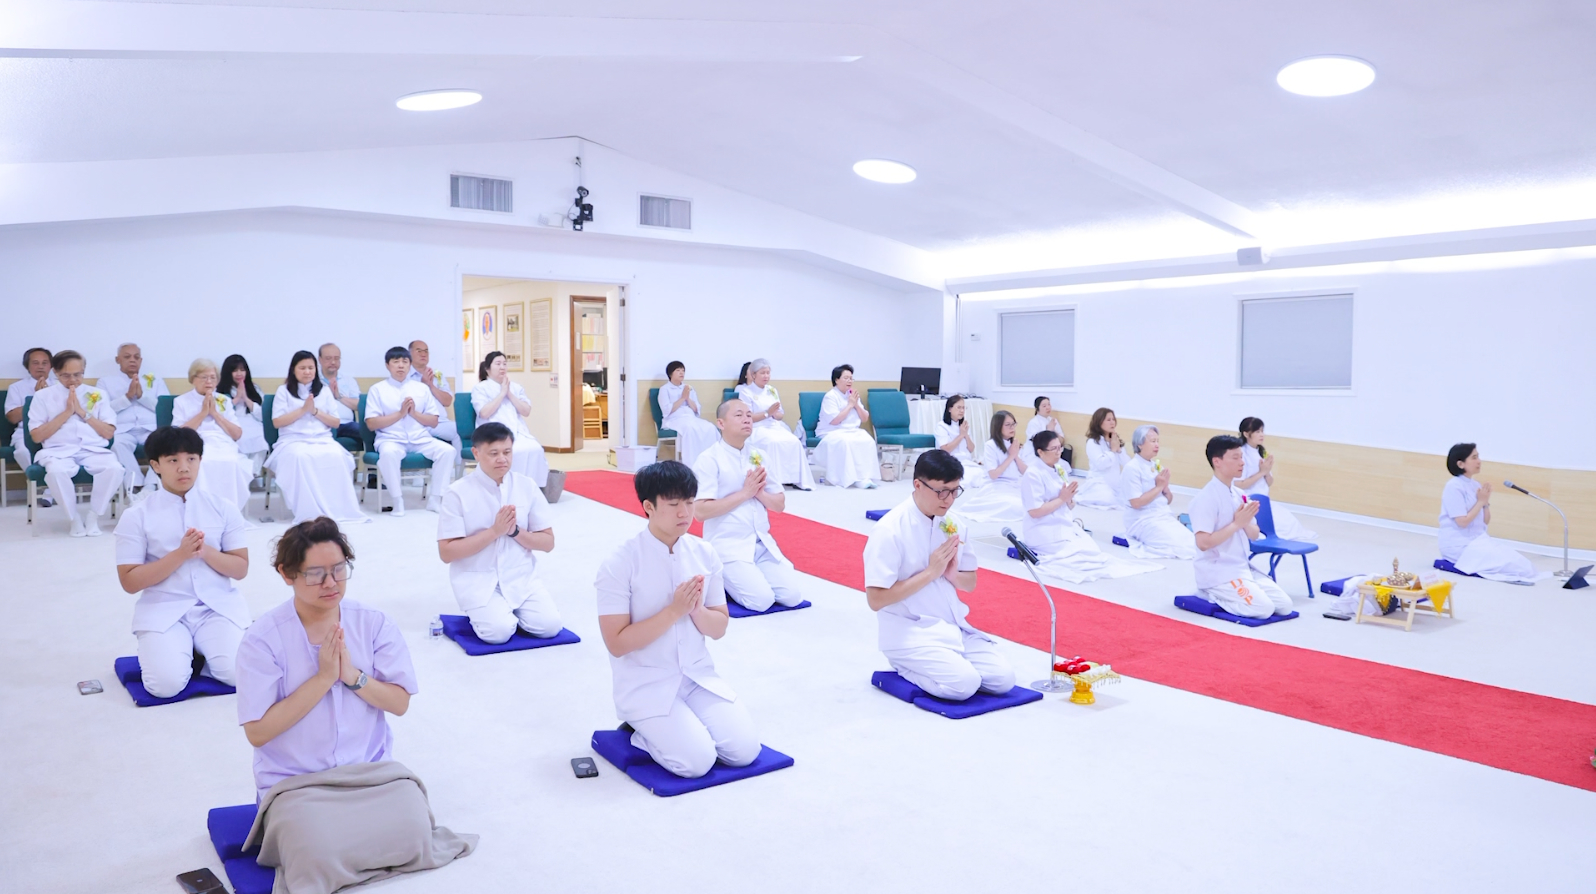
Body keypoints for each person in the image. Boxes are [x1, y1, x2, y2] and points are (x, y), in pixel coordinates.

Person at [236, 519, 473, 885]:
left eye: (338, 569)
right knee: (316, 854)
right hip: (297, 784)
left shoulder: (373, 624)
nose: (331, 583)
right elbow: (258, 732)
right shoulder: (262, 639)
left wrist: (352, 676)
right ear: (286, 574)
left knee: (415, 832)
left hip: (371, 774)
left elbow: (399, 703)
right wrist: (322, 679)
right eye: (316, 574)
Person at [595, 460, 762, 779]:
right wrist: (674, 611)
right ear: (648, 506)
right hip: (646, 683)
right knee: (697, 763)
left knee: (744, 752)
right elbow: (616, 643)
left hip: (697, 676)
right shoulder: (620, 562)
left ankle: (677, 729)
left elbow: (719, 628)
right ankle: (640, 733)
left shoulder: (704, 552)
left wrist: (696, 610)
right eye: (673, 505)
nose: (685, 513)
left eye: (689, 502)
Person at [863, 450, 1014, 702]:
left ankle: (949, 663)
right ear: (917, 485)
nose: (949, 500)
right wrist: (931, 573)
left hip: (951, 626)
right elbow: (875, 600)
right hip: (909, 630)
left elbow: (970, 583)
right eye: (942, 492)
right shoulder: (889, 530)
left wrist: (952, 575)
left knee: (1003, 680)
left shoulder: (953, 524)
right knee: (964, 685)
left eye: (955, 491)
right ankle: (905, 667)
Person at [114, 426, 250, 696]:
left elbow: (240, 568)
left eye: (191, 459)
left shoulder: (224, 508)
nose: (184, 467)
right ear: (156, 465)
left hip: (216, 607)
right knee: (164, 686)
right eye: (173, 460)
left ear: (200, 460)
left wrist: (205, 552)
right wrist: (180, 554)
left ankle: (204, 651)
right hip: (164, 609)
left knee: (240, 675)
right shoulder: (137, 515)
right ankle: (179, 651)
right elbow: (129, 581)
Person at [437, 422, 561, 643]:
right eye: (493, 453)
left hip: (520, 577)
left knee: (550, 627)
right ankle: (496, 613)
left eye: (507, 452)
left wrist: (515, 532)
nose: (502, 459)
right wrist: (495, 531)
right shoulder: (457, 493)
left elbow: (548, 543)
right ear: (476, 453)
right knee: (498, 633)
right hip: (478, 579)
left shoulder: (527, 486)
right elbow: (446, 553)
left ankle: (506, 612)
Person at [693, 399, 803, 612]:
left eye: (749, 415)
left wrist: (759, 493)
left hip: (761, 544)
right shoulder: (709, 459)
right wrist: (745, 493)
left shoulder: (759, 456)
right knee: (761, 601)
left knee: (792, 597)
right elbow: (700, 512)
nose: (747, 420)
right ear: (721, 423)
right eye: (739, 415)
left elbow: (779, 504)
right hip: (728, 545)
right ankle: (720, 578)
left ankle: (745, 578)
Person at [1021, 430, 1157, 583]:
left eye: (1060, 447)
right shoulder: (1033, 474)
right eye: (1054, 449)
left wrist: (1069, 499)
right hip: (1042, 530)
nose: (1059, 452)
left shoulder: (1058, 468)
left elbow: (1068, 505)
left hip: (1062, 524)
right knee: (1078, 558)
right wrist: (1062, 498)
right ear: (1040, 452)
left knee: (1092, 551)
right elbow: (1035, 511)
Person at [1188, 435, 1295, 618]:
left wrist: (1245, 523)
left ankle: (1239, 592)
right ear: (1217, 462)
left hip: (1242, 567)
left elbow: (1254, 534)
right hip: (1219, 573)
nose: (1242, 462)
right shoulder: (1205, 499)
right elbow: (1203, 543)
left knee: (1285, 606)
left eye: (1242, 457)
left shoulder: (1240, 494)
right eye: (1235, 457)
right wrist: (1237, 524)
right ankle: (1210, 594)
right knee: (1263, 609)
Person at [26, 350, 124, 536]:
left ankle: (93, 516)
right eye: (66, 375)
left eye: (78, 374)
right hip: (57, 451)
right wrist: (67, 413)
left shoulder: (98, 394)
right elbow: (37, 436)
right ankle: (74, 519)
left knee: (115, 469)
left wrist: (82, 412)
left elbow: (108, 432)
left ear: (84, 371)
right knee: (56, 472)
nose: (73, 380)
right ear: (55, 372)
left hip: (93, 450)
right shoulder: (42, 396)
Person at [267, 351, 368, 526]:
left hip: (322, 439)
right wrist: (303, 410)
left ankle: (337, 509)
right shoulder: (283, 391)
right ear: (293, 370)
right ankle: (308, 511)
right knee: (301, 457)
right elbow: (277, 422)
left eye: (311, 368)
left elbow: (335, 422)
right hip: (292, 440)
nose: (307, 372)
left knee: (337, 455)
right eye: (302, 368)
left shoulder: (324, 390)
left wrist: (314, 411)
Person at [365, 346, 456, 516]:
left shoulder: (421, 388)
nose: (401, 366)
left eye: (405, 362)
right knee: (388, 454)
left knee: (448, 451)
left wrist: (414, 414)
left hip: (420, 438)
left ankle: (435, 499)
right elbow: (371, 423)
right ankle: (397, 501)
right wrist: (400, 414)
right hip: (391, 438)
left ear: (410, 365)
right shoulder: (377, 389)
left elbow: (434, 421)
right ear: (387, 365)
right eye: (396, 362)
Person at [1438, 443, 1537, 583]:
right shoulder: (1453, 486)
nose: (1479, 461)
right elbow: (1462, 522)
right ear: (1460, 464)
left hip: (1478, 541)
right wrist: (1481, 501)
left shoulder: (1475, 485)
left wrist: (1485, 503)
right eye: (1474, 458)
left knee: (1523, 564)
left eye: (1478, 457)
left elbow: (1485, 521)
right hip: (1458, 545)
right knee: (1515, 567)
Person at [172, 358, 254, 511]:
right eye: (204, 377)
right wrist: (203, 413)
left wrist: (215, 413)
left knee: (232, 462)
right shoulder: (181, 401)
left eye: (213, 377)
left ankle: (229, 511)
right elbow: (177, 435)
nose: (209, 381)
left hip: (223, 443)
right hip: (194, 443)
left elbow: (237, 434)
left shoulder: (224, 400)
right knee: (203, 462)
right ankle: (203, 509)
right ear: (193, 379)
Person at [470, 350, 549, 487]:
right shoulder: (480, 388)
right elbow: (484, 413)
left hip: (517, 431)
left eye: (504, 364)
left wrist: (510, 394)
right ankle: (508, 486)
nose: (502, 367)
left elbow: (526, 411)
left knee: (535, 449)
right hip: (493, 431)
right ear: (487, 369)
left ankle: (531, 488)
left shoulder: (516, 387)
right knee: (515, 451)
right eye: (498, 364)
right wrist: (501, 394)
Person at [99, 342, 169, 495]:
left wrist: (142, 396)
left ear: (141, 360)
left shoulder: (155, 379)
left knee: (165, 443)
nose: (132, 360)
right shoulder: (105, 382)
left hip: (150, 429)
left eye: (136, 357)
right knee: (117, 444)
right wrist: (127, 397)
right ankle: (135, 486)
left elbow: (163, 407)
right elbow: (102, 410)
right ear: (118, 360)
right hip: (122, 430)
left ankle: (151, 485)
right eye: (127, 357)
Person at [1116, 424, 1196, 559]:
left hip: (1162, 516)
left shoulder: (1157, 466)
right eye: (1153, 441)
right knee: (1181, 548)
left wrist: (1165, 488)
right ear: (1140, 444)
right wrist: (1158, 487)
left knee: (1192, 541)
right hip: (1142, 520)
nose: (1157, 445)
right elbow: (1136, 503)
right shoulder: (1132, 468)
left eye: (1158, 441)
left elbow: (1168, 500)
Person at [735, 358, 815, 490]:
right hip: (757, 427)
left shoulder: (772, 390)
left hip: (774, 426)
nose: (766, 376)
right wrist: (767, 413)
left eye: (768, 373)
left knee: (794, 441)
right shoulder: (746, 392)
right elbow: (747, 417)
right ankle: (775, 481)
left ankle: (794, 479)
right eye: (762, 373)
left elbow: (780, 414)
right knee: (772, 442)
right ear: (753, 375)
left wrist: (776, 414)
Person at [1236, 417, 1316, 540]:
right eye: (1257, 432)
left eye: (1262, 431)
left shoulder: (1261, 452)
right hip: (1249, 501)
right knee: (1276, 527)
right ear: (1246, 434)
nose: (1261, 435)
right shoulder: (1241, 453)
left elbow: (1269, 482)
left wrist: (1267, 471)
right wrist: (1262, 472)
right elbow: (1239, 484)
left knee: (1290, 523)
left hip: (1264, 500)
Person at [952, 410, 1027, 530]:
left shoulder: (1015, 444)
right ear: (998, 427)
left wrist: (1016, 455)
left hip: (1015, 484)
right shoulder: (990, 445)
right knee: (1017, 507)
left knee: (1035, 502)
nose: (1012, 428)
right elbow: (993, 475)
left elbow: (1025, 472)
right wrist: (1011, 456)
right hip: (997, 486)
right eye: (1008, 425)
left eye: (1013, 424)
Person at [814, 364, 880, 489]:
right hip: (832, 431)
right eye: (846, 378)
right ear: (836, 380)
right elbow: (835, 420)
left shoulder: (852, 395)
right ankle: (849, 478)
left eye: (851, 378)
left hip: (852, 430)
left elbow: (864, 418)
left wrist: (856, 404)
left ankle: (864, 477)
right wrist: (850, 405)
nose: (849, 381)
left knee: (868, 440)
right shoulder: (830, 396)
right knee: (846, 442)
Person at [5, 347, 55, 502]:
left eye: (45, 363)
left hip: (54, 431)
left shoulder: (60, 386)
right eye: (35, 363)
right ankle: (45, 487)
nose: (40, 367)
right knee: (22, 452)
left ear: (51, 366)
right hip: (24, 432)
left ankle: (49, 491)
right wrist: (37, 397)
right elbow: (12, 417)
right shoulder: (16, 387)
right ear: (27, 366)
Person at [406, 340, 464, 462]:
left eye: (426, 351)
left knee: (462, 429)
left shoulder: (437, 375)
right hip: (418, 422)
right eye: (419, 351)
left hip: (440, 422)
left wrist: (431, 385)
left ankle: (459, 470)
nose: (423, 354)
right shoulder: (404, 375)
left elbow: (447, 401)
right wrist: (423, 385)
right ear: (409, 354)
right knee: (457, 431)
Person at [657, 361, 719, 467]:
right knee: (689, 428)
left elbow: (696, 409)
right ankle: (691, 464)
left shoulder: (689, 388)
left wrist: (687, 397)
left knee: (710, 427)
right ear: (670, 374)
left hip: (691, 418)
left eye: (683, 370)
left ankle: (711, 462)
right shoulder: (664, 389)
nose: (681, 373)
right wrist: (682, 398)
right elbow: (666, 410)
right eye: (678, 370)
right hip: (673, 420)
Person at [220, 354, 269, 476]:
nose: (239, 374)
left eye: (242, 370)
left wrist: (246, 398)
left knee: (261, 439)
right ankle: (240, 474)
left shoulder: (255, 388)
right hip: (232, 423)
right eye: (235, 370)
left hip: (252, 422)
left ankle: (252, 473)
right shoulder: (219, 390)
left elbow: (261, 415)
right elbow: (220, 413)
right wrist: (237, 398)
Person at [1074, 407, 1128, 509]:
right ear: (1099, 422)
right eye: (1108, 420)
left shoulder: (1115, 440)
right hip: (1099, 482)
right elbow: (1101, 464)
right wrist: (1112, 451)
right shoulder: (1093, 442)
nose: (1112, 422)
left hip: (1115, 483)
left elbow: (1126, 463)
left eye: (1113, 419)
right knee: (1107, 499)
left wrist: (1118, 450)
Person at [935, 395, 984, 487]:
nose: (962, 411)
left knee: (981, 474)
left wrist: (965, 434)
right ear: (950, 409)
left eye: (963, 408)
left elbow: (971, 449)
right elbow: (945, 449)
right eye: (959, 408)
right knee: (965, 478)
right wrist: (961, 435)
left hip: (966, 461)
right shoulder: (941, 426)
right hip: (950, 462)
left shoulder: (963, 426)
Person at [317, 343, 361, 442]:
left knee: (368, 432)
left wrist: (338, 396)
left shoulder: (349, 380)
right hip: (323, 424)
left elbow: (358, 405)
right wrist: (328, 395)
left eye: (336, 358)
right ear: (320, 360)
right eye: (328, 358)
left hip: (347, 424)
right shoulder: (313, 380)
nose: (333, 362)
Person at [1022, 396, 1061, 463]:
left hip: (1052, 452)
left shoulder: (1053, 420)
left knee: (1064, 465)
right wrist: (1049, 431)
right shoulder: (1033, 422)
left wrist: (1053, 432)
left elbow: (1061, 439)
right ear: (1037, 409)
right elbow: (1037, 442)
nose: (1048, 407)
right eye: (1044, 406)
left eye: (1049, 404)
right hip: (1034, 453)